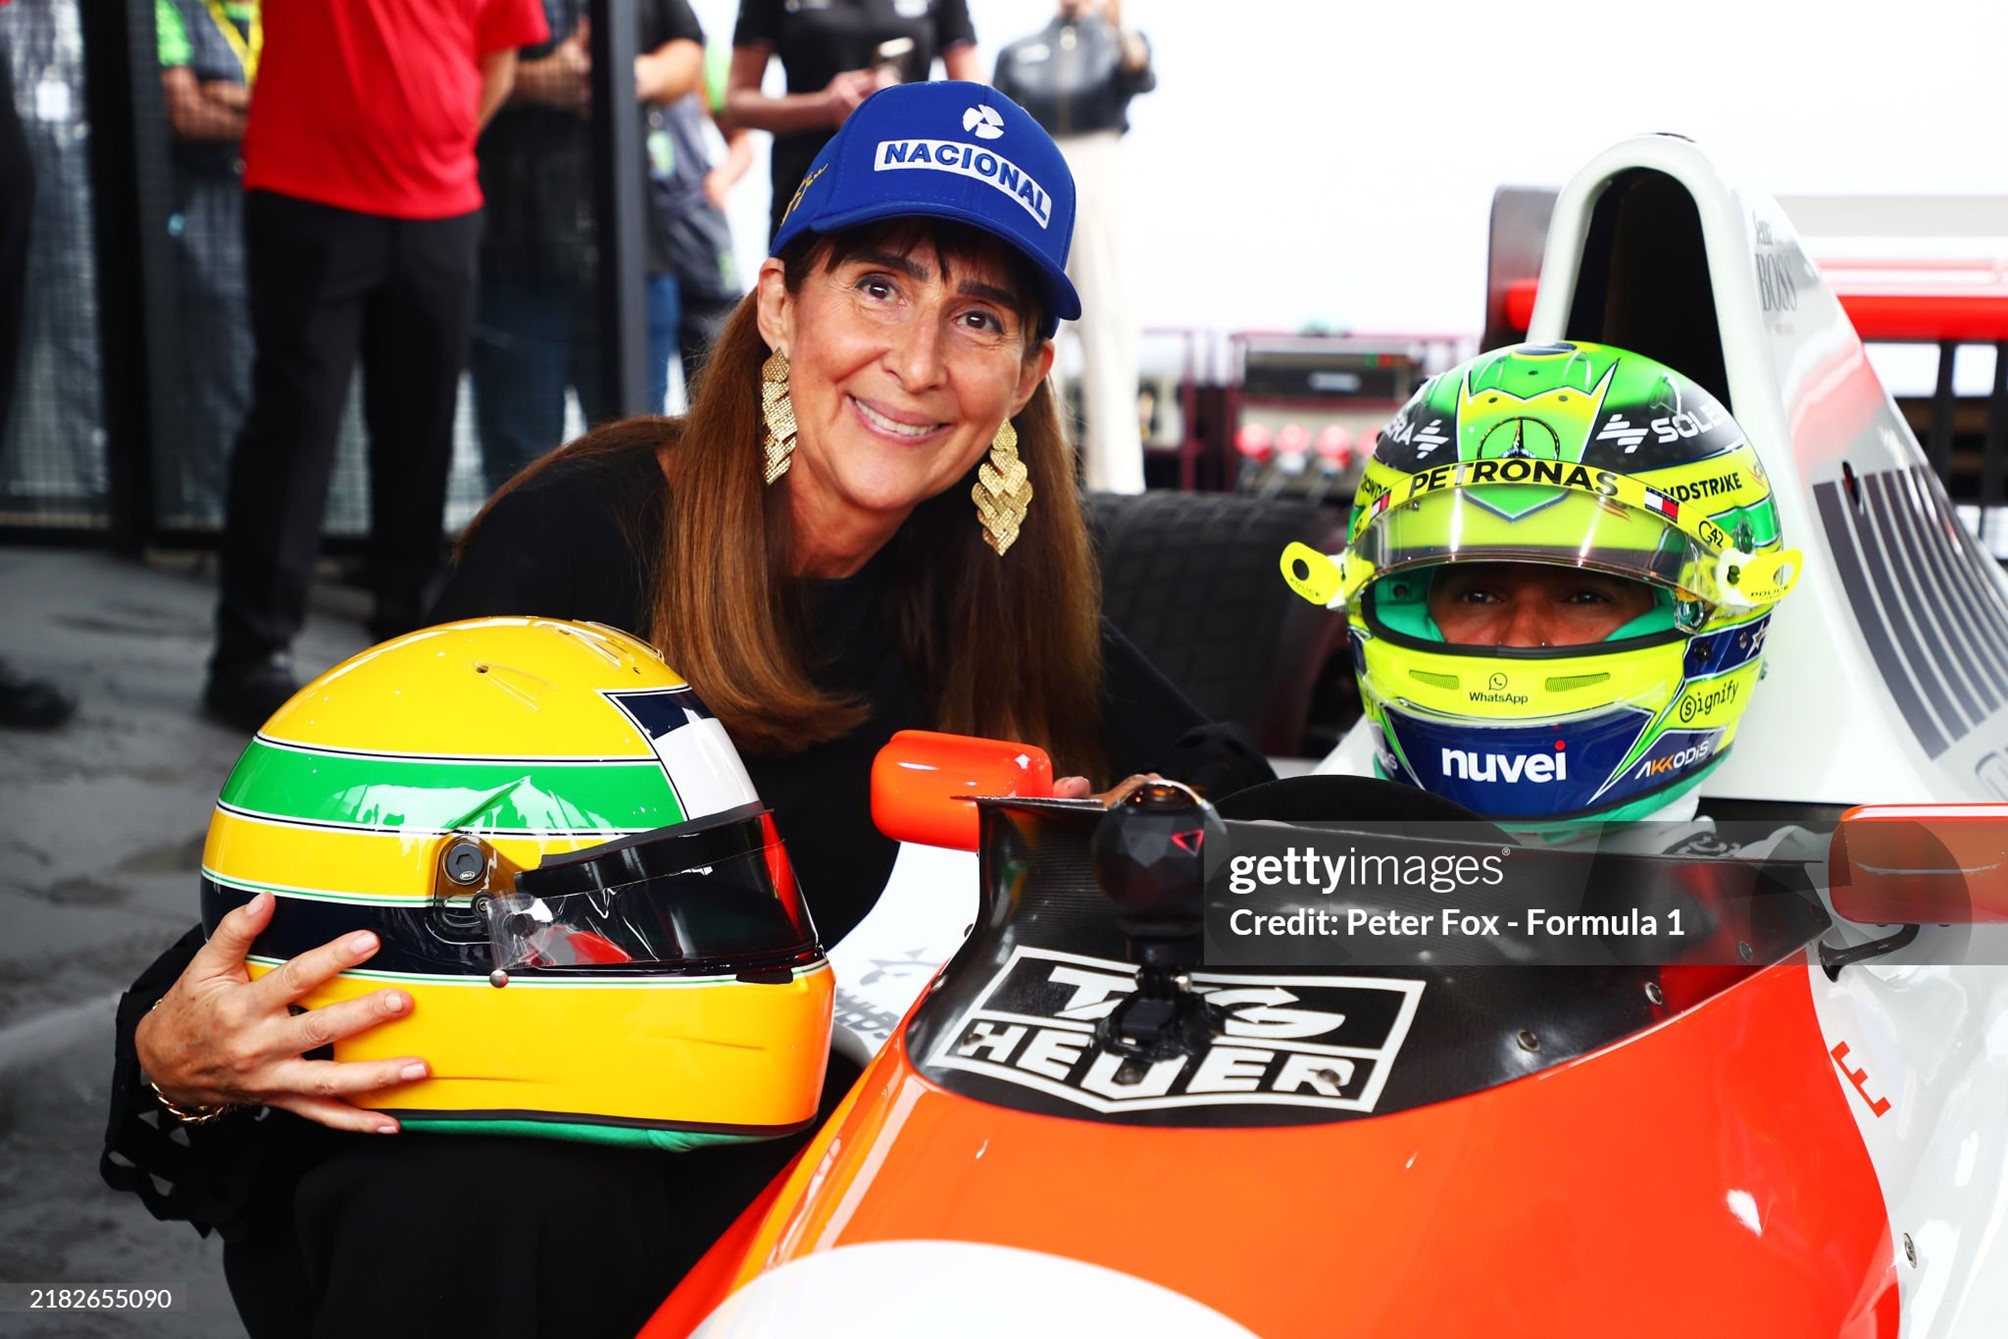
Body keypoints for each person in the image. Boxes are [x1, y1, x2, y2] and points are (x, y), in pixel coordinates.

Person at [105, 82, 1270, 1338]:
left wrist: (1155, 816)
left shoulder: (996, 575)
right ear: (779, 303)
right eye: (878, 286)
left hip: (800, 1128)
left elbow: (1220, 777)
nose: (919, 363)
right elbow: (374, 883)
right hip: (510, 1119)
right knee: (501, 1206)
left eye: (977, 317)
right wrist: (173, 1062)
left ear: (1030, 372)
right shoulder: (581, 536)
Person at [199, 0, 551, 732]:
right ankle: (248, 655)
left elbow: (500, 61)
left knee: (422, 430)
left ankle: (408, 643)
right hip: (307, 192)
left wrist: (437, 145)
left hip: (438, 206)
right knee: (294, 425)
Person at [1283, 339, 1801, 826]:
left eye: (1585, 596)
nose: (1520, 638)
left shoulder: (1822, 896)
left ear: (1724, 613)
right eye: (1478, 594)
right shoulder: (1282, 866)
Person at [469, 0, 705, 495]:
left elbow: (687, 50)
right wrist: (527, 80)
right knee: (518, 473)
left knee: (637, 470)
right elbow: (444, 59)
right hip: (517, 251)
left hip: (635, 255)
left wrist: (629, 74)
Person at [992, 0, 1154, 495]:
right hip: (1038, 169)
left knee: (1108, 326)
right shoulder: (1020, 51)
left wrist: (1114, 21)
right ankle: (1040, 479)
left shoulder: (1117, 42)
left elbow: (1139, 73)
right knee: (1038, 326)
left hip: (1099, 166)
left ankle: (1119, 485)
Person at [727, 0, 978, 244]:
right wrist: (823, 107)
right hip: (810, 184)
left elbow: (976, 104)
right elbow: (737, 103)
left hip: (904, 181)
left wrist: (901, 104)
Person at [154, 0, 256, 527]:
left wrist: (231, 99)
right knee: (224, 374)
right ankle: (224, 522)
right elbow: (185, 113)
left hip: (293, 203)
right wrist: (282, 111)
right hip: (210, 205)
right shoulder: (170, 8)